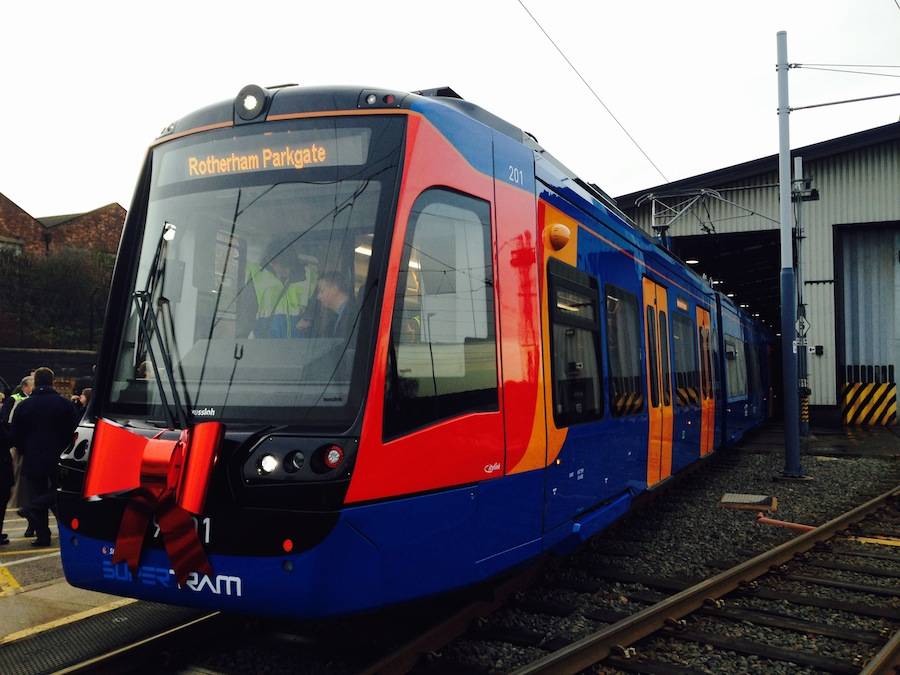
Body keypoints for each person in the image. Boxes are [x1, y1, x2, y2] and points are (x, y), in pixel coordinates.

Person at [12, 368, 78, 547]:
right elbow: (74, 431)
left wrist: (24, 449)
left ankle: (42, 535)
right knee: (58, 493)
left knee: (37, 491)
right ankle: (64, 530)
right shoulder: (64, 405)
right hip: (58, 455)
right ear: (52, 381)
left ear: (36, 382)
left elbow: (16, 434)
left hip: (33, 456)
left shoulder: (24, 406)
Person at [243, 238, 315, 338]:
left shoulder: (307, 275)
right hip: (266, 344)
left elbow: (317, 302)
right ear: (272, 262)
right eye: (284, 267)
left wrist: (308, 318)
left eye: (290, 267)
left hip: (298, 345)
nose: (288, 271)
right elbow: (246, 314)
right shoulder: (256, 277)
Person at [5, 375, 34, 536]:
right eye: (32, 385)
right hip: (22, 451)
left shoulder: (27, 404)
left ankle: (30, 517)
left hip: (24, 450)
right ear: (25, 387)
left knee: (27, 489)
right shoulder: (15, 400)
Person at [300, 271, 357, 338]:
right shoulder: (338, 315)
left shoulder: (353, 316)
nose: (318, 297)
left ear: (335, 289)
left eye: (322, 291)